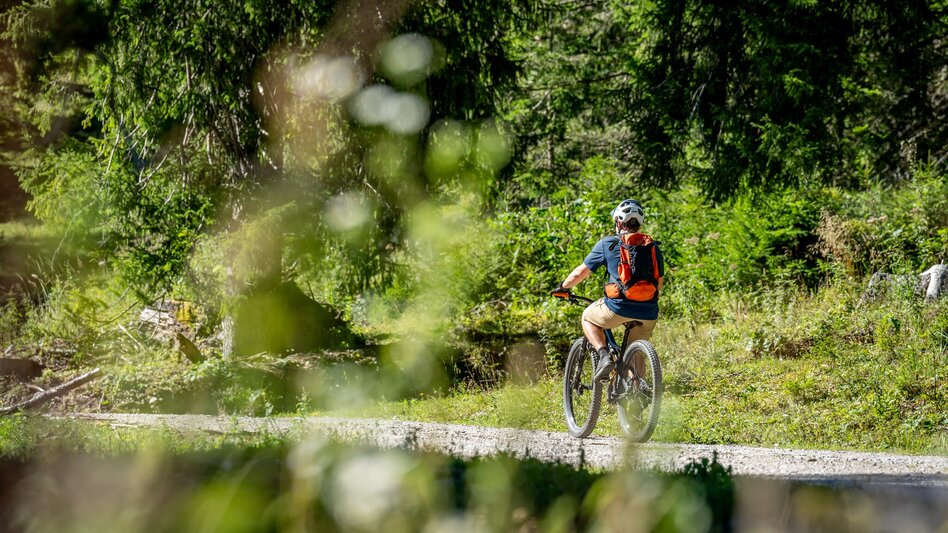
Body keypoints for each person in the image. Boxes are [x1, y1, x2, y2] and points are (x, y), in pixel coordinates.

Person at [553, 199, 665, 382]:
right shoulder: (653, 247)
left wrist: (563, 287)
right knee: (635, 350)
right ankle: (639, 392)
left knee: (587, 317)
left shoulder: (608, 244)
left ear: (619, 222)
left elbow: (580, 273)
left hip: (617, 308)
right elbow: (659, 284)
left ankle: (604, 355)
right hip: (648, 313)